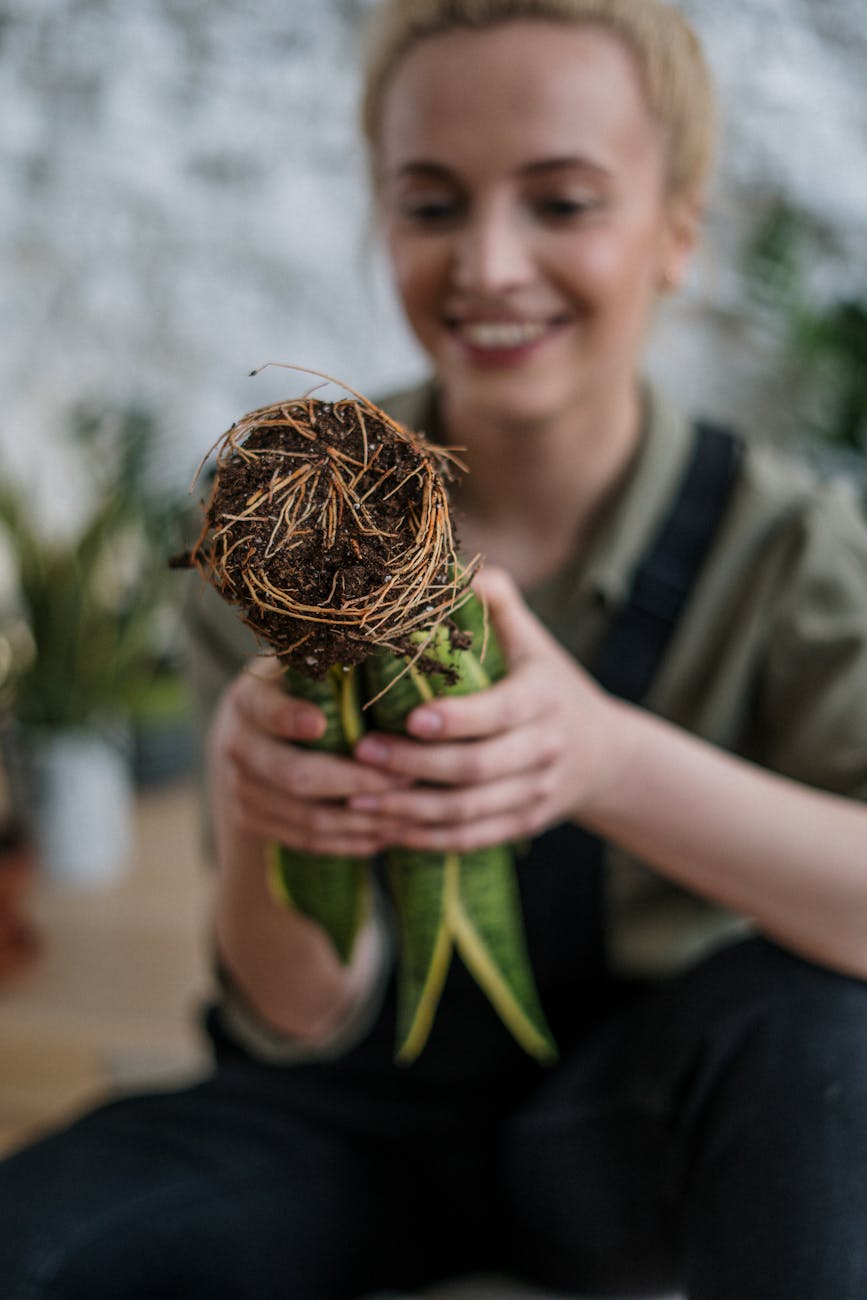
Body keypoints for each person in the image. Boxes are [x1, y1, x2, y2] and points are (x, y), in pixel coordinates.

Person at [2, 1, 866, 1296]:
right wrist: (264, 804)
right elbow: (296, 1009)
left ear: (678, 231)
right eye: (432, 204)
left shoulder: (790, 548)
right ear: (380, 219)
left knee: (824, 1034)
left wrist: (607, 762)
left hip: (628, 1128)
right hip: (342, 1126)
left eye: (563, 203)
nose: (491, 266)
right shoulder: (274, 523)